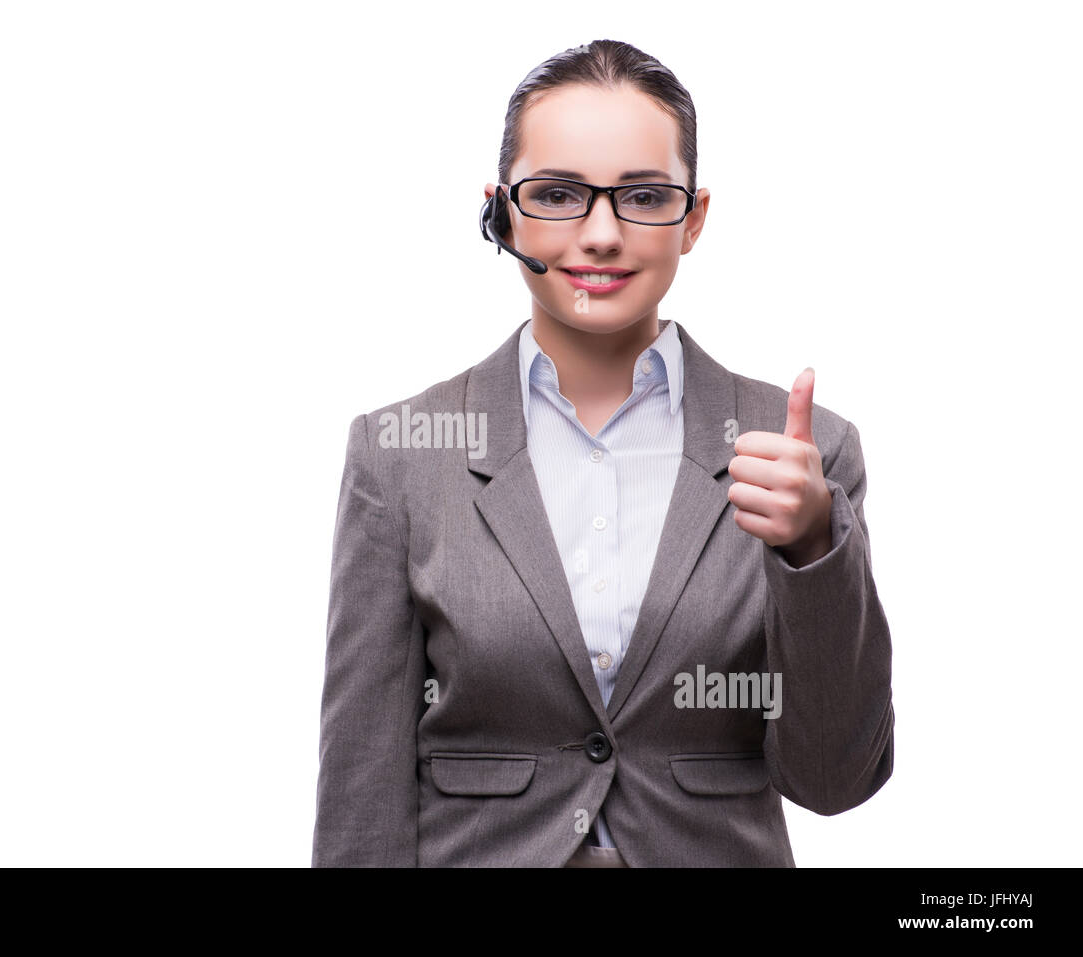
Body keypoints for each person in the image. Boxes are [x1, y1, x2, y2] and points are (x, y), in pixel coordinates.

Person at [312, 39, 894, 867]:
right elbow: (359, 794)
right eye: (556, 195)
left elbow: (835, 777)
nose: (601, 234)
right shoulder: (397, 458)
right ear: (503, 211)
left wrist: (812, 546)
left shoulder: (804, 450)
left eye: (644, 196)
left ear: (693, 218)